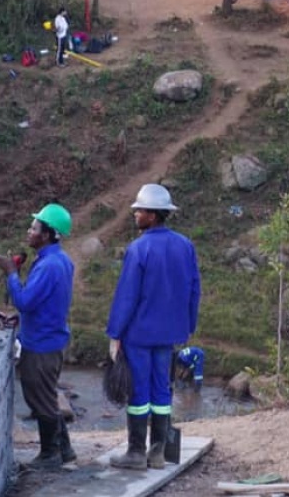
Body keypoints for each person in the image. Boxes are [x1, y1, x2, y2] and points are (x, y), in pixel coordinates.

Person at [106, 184, 201, 471]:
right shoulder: (185, 246)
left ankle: (136, 453)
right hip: (170, 333)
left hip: (139, 334)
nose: (135, 214)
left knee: (138, 393)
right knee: (162, 390)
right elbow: (194, 289)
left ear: (153, 214)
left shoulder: (139, 249)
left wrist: (115, 333)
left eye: (140, 210)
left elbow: (127, 296)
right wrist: (188, 325)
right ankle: (157, 453)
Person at [0, 203, 76, 471]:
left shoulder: (48, 265)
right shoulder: (60, 260)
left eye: (34, 228)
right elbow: (47, 302)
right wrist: (20, 318)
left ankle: (50, 454)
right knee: (46, 396)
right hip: (49, 337)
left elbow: (25, 301)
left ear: (47, 235)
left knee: (39, 399)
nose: (29, 231)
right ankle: (65, 450)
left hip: (41, 344)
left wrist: (11, 273)